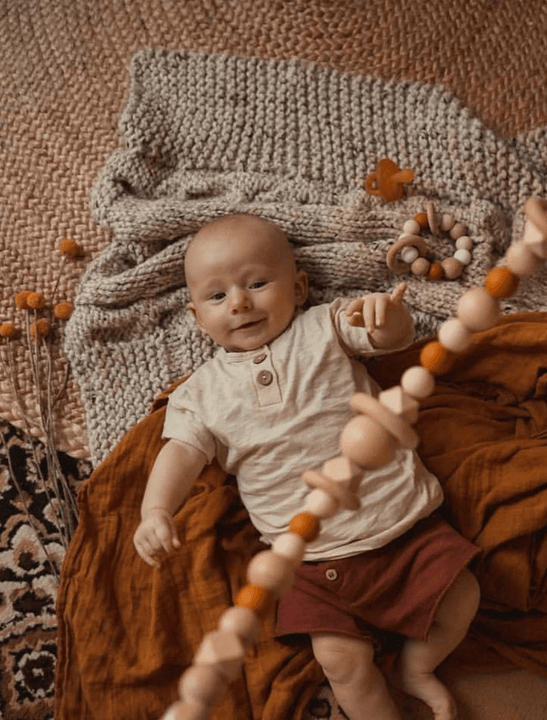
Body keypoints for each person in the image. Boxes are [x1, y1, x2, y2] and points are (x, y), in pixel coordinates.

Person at [133, 214, 481, 720]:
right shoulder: (201, 394)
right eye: (217, 297)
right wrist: (156, 509)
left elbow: (391, 340)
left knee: (463, 594)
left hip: (404, 527)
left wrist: (387, 321)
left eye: (257, 283)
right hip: (311, 564)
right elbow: (181, 452)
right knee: (340, 663)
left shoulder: (324, 327)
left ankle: (418, 667)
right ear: (196, 317)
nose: (240, 302)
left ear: (298, 288)